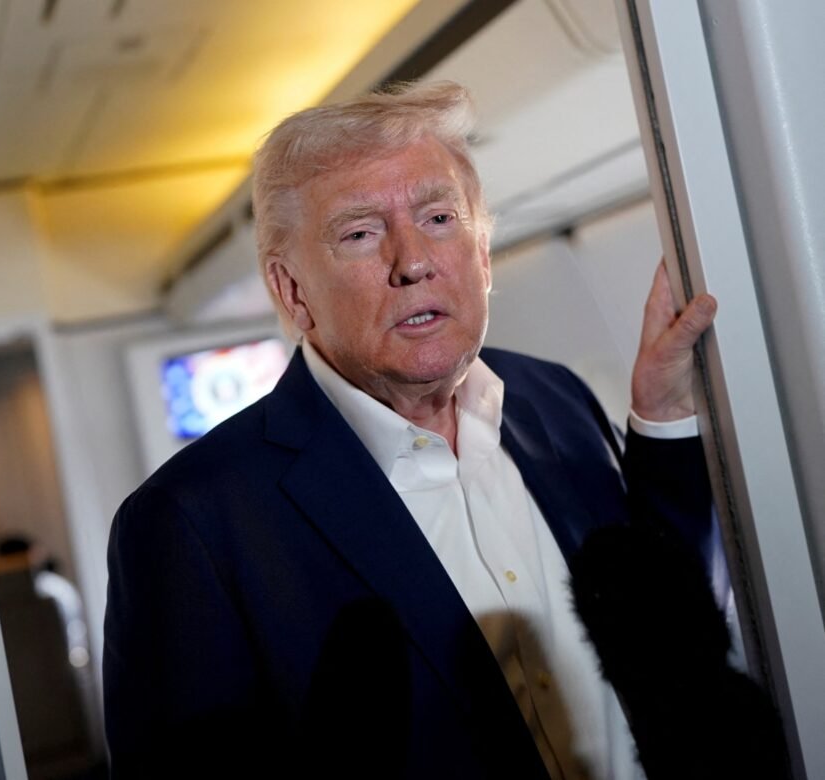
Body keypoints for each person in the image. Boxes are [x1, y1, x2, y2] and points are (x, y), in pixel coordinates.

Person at [103, 81, 718, 779]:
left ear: (483, 254)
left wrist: (663, 419)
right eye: (361, 233)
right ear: (292, 291)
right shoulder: (192, 523)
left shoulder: (555, 398)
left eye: (438, 218)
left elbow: (674, 629)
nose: (413, 261)